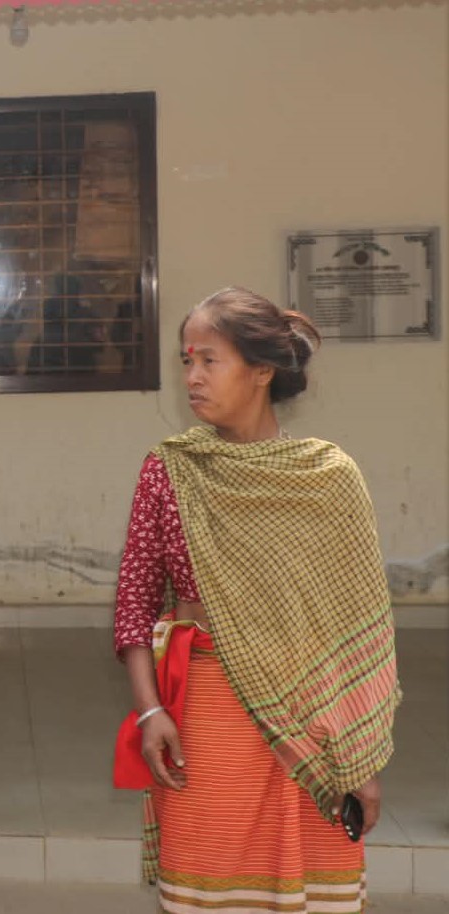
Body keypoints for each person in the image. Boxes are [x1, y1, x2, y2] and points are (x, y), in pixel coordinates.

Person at [110, 287, 400, 913]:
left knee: (310, 881)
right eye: (186, 361)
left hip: (311, 716)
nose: (192, 377)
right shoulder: (171, 470)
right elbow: (135, 599)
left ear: (262, 370)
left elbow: (354, 628)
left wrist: (358, 759)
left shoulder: (329, 477)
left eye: (209, 360)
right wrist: (147, 711)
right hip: (204, 719)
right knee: (204, 884)